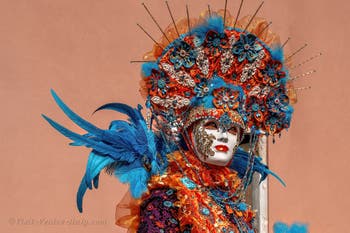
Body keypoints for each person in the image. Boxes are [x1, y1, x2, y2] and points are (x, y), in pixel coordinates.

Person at [43, 7, 298, 233]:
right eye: (210, 125)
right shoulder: (169, 198)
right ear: (188, 130)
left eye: (232, 129)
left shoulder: (232, 204)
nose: (223, 135)